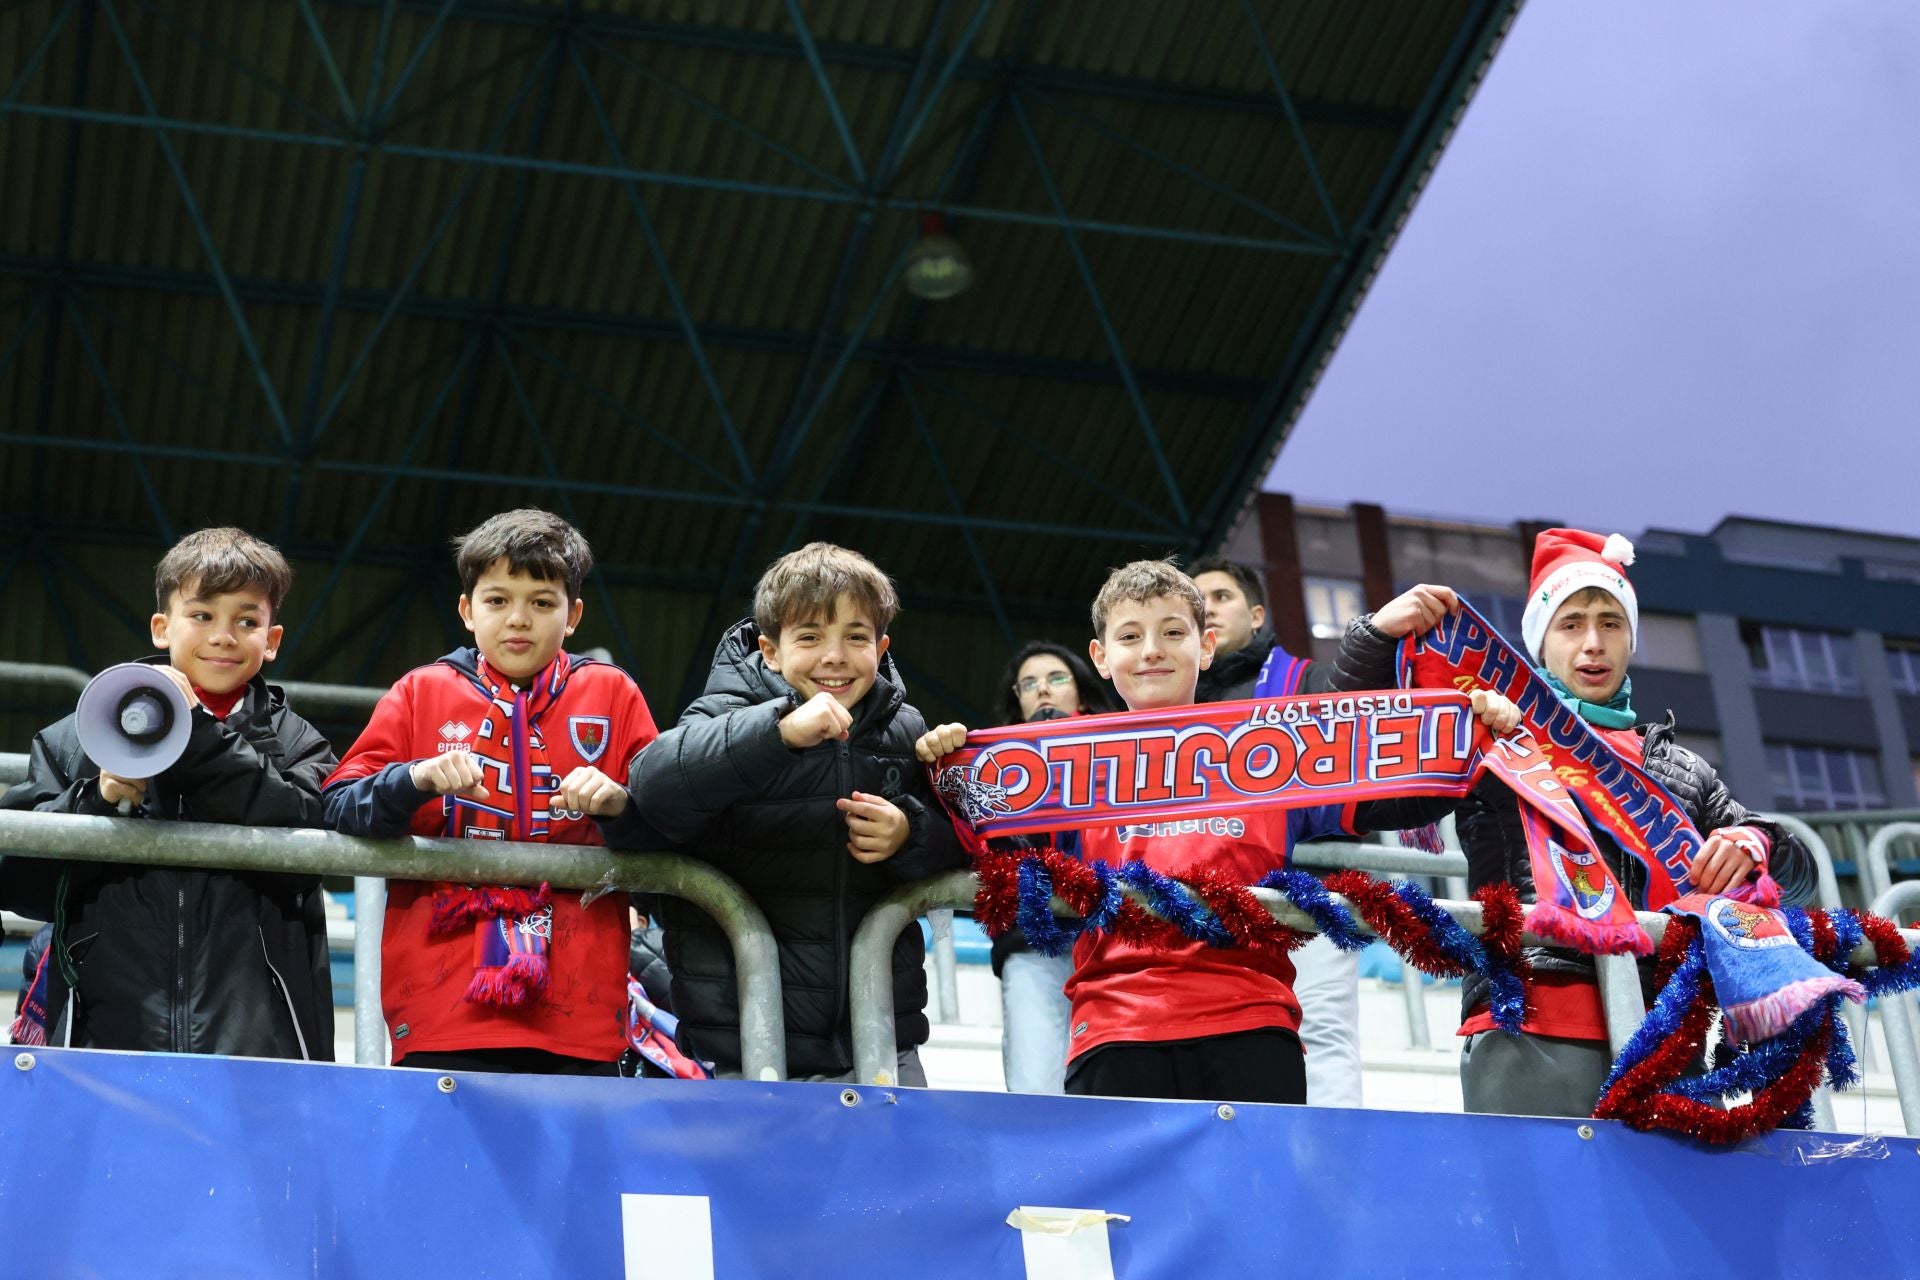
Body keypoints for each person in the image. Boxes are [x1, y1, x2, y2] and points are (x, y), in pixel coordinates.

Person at [916, 559, 1520, 1105]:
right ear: (1101, 658)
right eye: (1130, 637)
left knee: (1258, 1223)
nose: (1152, 650)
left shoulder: (1274, 750)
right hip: (1114, 1030)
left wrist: (1474, 732)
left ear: (1206, 647)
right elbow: (984, 850)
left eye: (1173, 633)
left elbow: (1402, 783)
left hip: (1253, 1023)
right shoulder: (1059, 766)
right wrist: (948, 772)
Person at [1338, 528, 1819, 1117]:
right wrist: (1372, 642)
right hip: (1530, 1023)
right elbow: (1367, 798)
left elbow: (1799, 879)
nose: (1593, 643)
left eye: (1611, 623)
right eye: (1570, 625)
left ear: (1631, 639)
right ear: (1540, 646)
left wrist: (1756, 843)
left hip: (1666, 1036)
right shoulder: (1494, 733)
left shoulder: (1682, 769)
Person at [323, 509, 660, 1076]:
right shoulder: (419, 692)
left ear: (573, 615)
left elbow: (671, 826)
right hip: (441, 1009)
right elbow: (338, 804)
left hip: (578, 1015)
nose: (518, 620)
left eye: (542, 602)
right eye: (498, 600)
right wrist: (415, 779)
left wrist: (620, 806)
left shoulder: (613, 695)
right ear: (467, 610)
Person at [627, 542, 965, 1083]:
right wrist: (777, 731)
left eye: (856, 637)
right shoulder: (724, 712)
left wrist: (911, 832)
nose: (835, 656)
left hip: (883, 1047)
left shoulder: (906, 730)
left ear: (881, 647)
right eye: (809, 636)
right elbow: (651, 786)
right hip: (745, 1049)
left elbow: (971, 846)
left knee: (893, 1169)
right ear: (770, 650)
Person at [0, 527, 337, 1058]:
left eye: (246, 621)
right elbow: (19, 881)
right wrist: (95, 801)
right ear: (162, 628)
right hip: (106, 1039)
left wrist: (197, 731)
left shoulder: (299, 743)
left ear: (271, 641)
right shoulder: (75, 738)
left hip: (257, 1048)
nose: (223, 636)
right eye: (202, 615)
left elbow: (311, 844)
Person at [1190, 557, 1463, 1109]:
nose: (1209, 610)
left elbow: (1354, 709)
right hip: (1206, 899)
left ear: (1258, 614)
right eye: (1196, 606)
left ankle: (1331, 1174)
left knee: (1321, 1035)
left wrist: (1380, 638)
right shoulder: (1171, 701)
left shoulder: (1306, 680)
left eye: (1221, 597)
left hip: (1308, 894)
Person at [989, 641, 1120, 1095]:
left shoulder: (1128, 752)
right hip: (1032, 946)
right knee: (1035, 1089)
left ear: (1082, 692)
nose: (1042, 690)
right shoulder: (990, 769)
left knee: (1114, 1098)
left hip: (1118, 945)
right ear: (1018, 701)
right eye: (1029, 684)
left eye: (1056, 678)